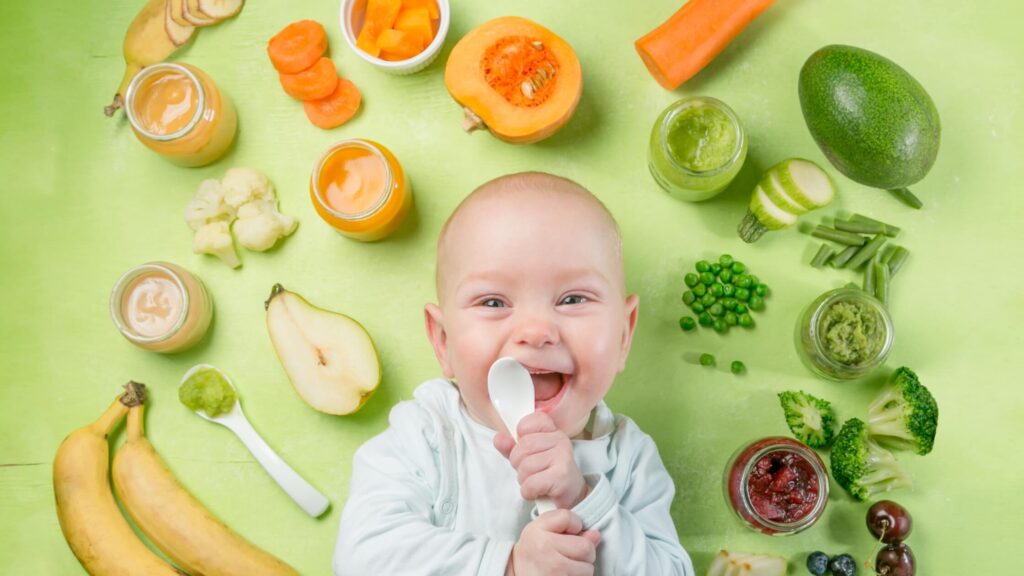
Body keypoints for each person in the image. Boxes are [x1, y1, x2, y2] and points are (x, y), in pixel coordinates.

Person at [334, 172, 694, 575]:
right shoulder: (426, 435)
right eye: (493, 302)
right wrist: (509, 565)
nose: (536, 331)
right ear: (443, 341)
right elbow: (360, 559)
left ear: (624, 334)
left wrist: (582, 498)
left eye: (573, 298)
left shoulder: (627, 458)